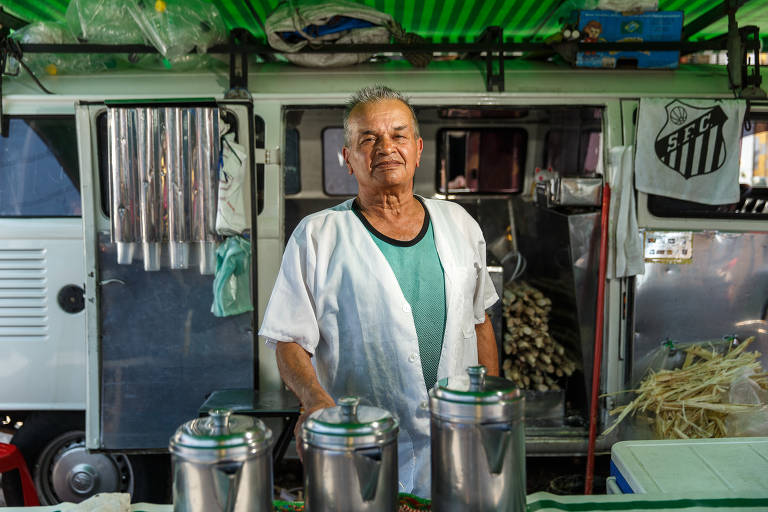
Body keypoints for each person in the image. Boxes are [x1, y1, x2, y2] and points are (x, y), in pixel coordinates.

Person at [259, 85, 499, 498]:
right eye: (368, 139)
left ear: (418, 148)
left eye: (398, 135)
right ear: (348, 158)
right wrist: (315, 400)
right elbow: (288, 340)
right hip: (361, 447)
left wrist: (491, 413)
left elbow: (479, 323)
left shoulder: (459, 223)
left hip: (457, 442)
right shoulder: (319, 236)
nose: (386, 148)